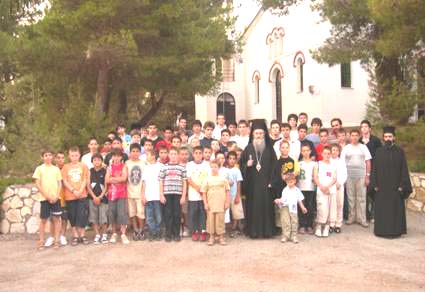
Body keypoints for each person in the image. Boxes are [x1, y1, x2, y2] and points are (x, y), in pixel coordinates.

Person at [370, 126, 412, 238]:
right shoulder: (379, 151)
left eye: (390, 136)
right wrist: (374, 185)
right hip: (382, 189)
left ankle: (395, 231)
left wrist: (402, 186)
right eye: (385, 136)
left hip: (395, 188)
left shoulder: (400, 152)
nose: (387, 139)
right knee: (383, 210)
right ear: (383, 138)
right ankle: (381, 231)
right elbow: (374, 169)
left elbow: (404, 169)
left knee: (395, 209)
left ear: (394, 137)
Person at [239, 119, 277, 238]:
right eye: (256, 133)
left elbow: (275, 167)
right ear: (253, 135)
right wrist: (247, 165)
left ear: (264, 134)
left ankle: (267, 231)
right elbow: (241, 165)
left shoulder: (270, 149)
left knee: (266, 207)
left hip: (266, 185)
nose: (259, 135)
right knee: (253, 208)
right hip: (253, 186)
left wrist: (271, 181)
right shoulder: (248, 148)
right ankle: (253, 231)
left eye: (261, 133)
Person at [32, 149, 63, 250]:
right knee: (44, 220)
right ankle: (41, 241)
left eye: (50, 155)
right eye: (46, 155)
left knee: (56, 219)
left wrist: (56, 196)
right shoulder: (39, 169)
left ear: (53, 157)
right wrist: (47, 196)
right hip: (44, 199)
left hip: (56, 199)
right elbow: (37, 183)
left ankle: (56, 241)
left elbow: (59, 183)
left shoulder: (56, 169)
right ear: (42, 157)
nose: (48, 157)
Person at [340, 129, 371, 227]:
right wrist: (343, 178)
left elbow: (368, 162)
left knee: (362, 198)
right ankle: (351, 217)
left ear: (359, 136)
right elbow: (342, 164)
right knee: (351, 198)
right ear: (350, 136)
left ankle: (362, 219)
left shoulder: (364, 147)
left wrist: (367, 176)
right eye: (352, 135)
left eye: (356, 135)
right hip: (349, 176)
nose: (354, 137)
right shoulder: (346, 148)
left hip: (361, 176)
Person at [62, 146, 90, 246]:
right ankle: (75, 236)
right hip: (70, 196)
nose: (74, 157)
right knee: (72, 216)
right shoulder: (65, 167)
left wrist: (80, 190)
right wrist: (73, 190)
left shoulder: (83, 166)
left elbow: (85, 179)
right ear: (69, 156)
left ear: (79, 156)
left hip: (82, 195)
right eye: (72, 155)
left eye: (76, 155)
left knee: (82, 215)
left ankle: (82, 235)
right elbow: (65, 180)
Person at [159, 147, 187, 242]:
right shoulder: (164, 167)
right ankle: (168, 234)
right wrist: (161, 195)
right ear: (168, 155)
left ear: (178, 155)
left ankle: (176, 234)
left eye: (175, 154)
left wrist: (183, 196)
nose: (173, 156)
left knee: (177, 214)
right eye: (171, 154)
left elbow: (184, 183)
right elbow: (161, 182)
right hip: (167, 194)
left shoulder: (182, 168)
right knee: (168, 214)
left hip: (178, 194)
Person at [271, 140, 299, 229]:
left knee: (291, 207)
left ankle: (291, 226)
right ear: (279, 149)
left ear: (289, 148)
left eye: (287, 147)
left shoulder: (293, 160)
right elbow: (275, 174)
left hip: (290, 187)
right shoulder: (277, 162)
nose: (285, 149)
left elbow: (296, 173)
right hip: (280, 187)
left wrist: (289, 177)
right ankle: (280, 226)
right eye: (283, 147)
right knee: (280, 208)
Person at [201, 160, 231, 246]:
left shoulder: (223, 179)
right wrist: (205, 203)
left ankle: (221, 237)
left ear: (219, 167)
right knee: (210, 220)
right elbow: (204, 192)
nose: (214, 169)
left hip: (221, 204)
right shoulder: (207, 179)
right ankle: (211, 237)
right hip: (210, 204)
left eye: (215, 167)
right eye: (212, 167)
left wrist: (227, 202)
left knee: (220, 220)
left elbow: (227, 191)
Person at [359, 119, 382, 222]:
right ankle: (365, 215)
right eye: (362, 127)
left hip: (373, 169)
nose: (364, 128)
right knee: (363, 193)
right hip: (361, 170)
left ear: (370, 129)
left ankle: (373, 214)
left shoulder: (376, 141)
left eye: (366, 126)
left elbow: (380, 155)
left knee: (373, 192)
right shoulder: (359, 141)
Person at [274, 173, 307, 243]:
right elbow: (283, 199)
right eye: (288, 182)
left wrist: (303, 207)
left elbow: (299, 200)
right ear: (286, 182)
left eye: (291, 182)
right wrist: (278, 200)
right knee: (285, 221)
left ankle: (294, 236)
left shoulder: (297, 190)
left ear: (295, 181)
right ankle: (285, 236)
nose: (290, 184)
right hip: (285, 207)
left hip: (293, 208)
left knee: (294, 221)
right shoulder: (285, 190)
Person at [105, 148, 130, 244]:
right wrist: (116, 179)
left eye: (118, 155)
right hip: (111, 194)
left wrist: (113, 178)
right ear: (112, 157)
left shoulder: (124, 166)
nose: (116, 157)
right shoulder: (109, 167)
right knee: (112, 213)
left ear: (121, 157)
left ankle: (123, 234)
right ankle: (114, 233)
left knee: (122, 213)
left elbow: (124, 178)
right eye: (114, 155)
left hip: (122, 194)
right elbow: (107, 180)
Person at [186, 146, 210, 241]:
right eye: (196, 153)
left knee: (203, 213)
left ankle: (203, 231)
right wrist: (197, 188)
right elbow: (189, 179)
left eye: (200, 153)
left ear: (203, 154)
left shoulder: (207, 165)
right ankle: (195, 231)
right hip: (193, 194)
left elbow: (208, 178)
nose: (198, 155)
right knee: (193, 213)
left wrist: (202, 190)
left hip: (204, 194)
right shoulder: (189, 165)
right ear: (193, 154)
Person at [313, 146, 337, 238]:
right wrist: (322, 187)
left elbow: (334, 178)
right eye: (325, 153)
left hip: (331, 190)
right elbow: (315, 177)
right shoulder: (317, 164)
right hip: (320, 189)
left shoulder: (333, 165)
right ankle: (319, 227)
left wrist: (327, 187)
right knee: (322, 208)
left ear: (330, 154)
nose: (327, 155)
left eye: (328, 153)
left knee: (330, 208)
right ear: (322, 154)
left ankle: (327, 227)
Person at [125, 143, 146, 241]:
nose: (135, 153)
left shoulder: (143, 163)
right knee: (132, 213)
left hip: (140, 192)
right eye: (133, 151)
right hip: (129, 192)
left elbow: (144, 180)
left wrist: (143, 193)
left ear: (140, 152)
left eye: (137, 151)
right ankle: (135, 229)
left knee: (140, 213)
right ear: (130, 152)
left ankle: (141, 230)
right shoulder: (127, 163)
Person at [87, 153, 108, 244]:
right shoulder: (89, 171)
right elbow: (88, 185)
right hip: (92, 197)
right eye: (95, 160)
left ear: (101, 161)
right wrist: (94, 197)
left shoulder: (105, 171)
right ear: (92, 161)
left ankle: (104, 234)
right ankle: (97, 234)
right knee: (93, 217)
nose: (97, 162)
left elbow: (106, 185)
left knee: (103, 217)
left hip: (103, 197)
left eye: (99, 160)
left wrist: (100, 197)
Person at [142, 151, 163, 241]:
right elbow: (144, 182)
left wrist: (161, 194)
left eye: (148, 155)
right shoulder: (145, 168)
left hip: (157, 196)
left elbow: (162, 181)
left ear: (154, 156)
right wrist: (143, 195)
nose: (147, 157)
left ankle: (158, 231)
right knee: (149, 217)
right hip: (148, 196)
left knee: (158, 216)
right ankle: (152, 232)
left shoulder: (160, 166)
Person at [297, 144, 317, 234]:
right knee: (301, 206)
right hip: (300, 187)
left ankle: (309, 225)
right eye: (303, 151)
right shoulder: (298, 163)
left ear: (310, 151)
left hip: (311, 188)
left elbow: (315, 176)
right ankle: (302, 225)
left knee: (310, 206)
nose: (305, 152)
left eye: (307, 150)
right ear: (301, 152)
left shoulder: (314, 164)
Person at [330, 144, 347, 233]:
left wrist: (340, 183)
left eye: (337, 150)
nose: (335, 152)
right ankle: (331, 223)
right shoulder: (327, 161)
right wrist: (331, 183)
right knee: (331, 205)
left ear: (339, 152)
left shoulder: (341, 161)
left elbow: (344, 174)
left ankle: (338, 224)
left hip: (339, 186)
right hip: (330, 186)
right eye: (333, 150)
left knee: (339, 204)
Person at [227, 151, 244, 237]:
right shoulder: (225, 170)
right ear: (227, 159)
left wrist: (238, 195)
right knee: (228, 212)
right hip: (226, 195)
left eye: (234, 159)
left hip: (234, 195)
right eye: (230, 158)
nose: (232, 160)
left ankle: (235, 228)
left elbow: (238, 183)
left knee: (236, 213)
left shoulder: (237, 170)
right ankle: (232, 228)